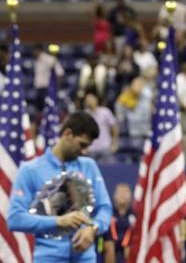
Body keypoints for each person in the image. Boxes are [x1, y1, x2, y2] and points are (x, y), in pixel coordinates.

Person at [8, 112, 112, 262]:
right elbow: (15, 219)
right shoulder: (30, 170)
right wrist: (58, 221)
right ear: (67, 133)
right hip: (46, 257)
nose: (84, 152)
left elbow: (105, 208)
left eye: (88, 147)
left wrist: (93, 229)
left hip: (85, 257)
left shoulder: (89, 166)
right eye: (82, 144)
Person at [103, 183, 135, 263]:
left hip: (128, 242)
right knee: (109, 246)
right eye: (120, 192)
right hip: (110, 240)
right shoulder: (109, 213)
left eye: (125, 193)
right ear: (114, 195)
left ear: (131, 196)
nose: (122, 195)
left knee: (130, 249)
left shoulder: (135, 215)